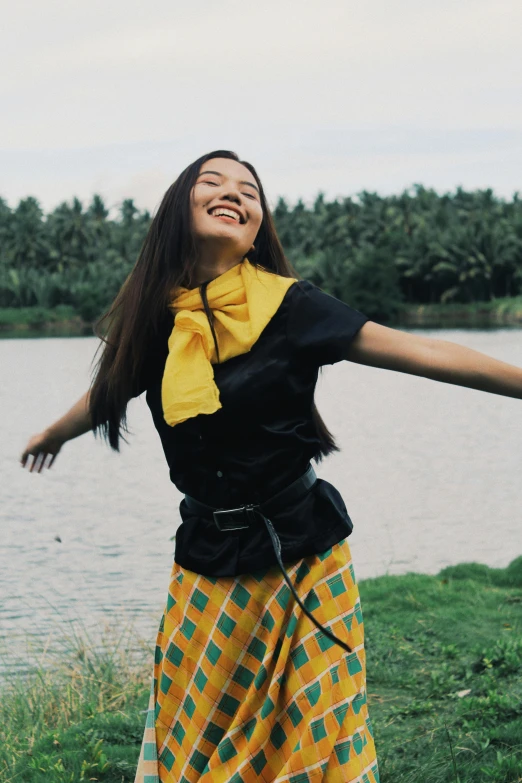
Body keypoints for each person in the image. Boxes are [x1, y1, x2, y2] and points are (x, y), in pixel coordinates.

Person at [20, 150, 522, 783]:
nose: (234, 193)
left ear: (258, 226)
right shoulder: (161, 319)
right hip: (207, 558)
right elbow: (111, 390)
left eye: (249, 191)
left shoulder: (293, 305)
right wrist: (55, 434)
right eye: (213, 182)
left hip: (304, 551)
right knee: (203, 731)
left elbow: (418, 351)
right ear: (181, 208)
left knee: (311, 728)